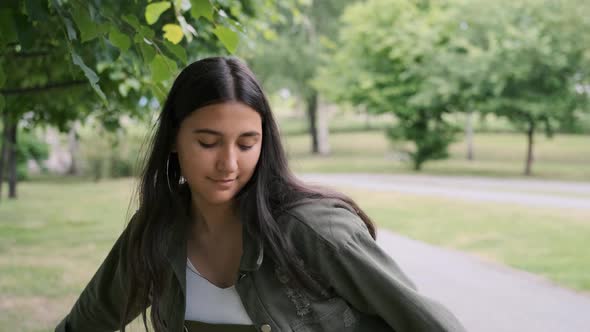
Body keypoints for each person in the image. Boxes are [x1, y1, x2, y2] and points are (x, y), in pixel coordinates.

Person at [55, 56, 466, 332]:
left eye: (246, 143)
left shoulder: (315, 232)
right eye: (208, 142)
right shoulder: (156, 232)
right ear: (175, 140)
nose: (229, 163)